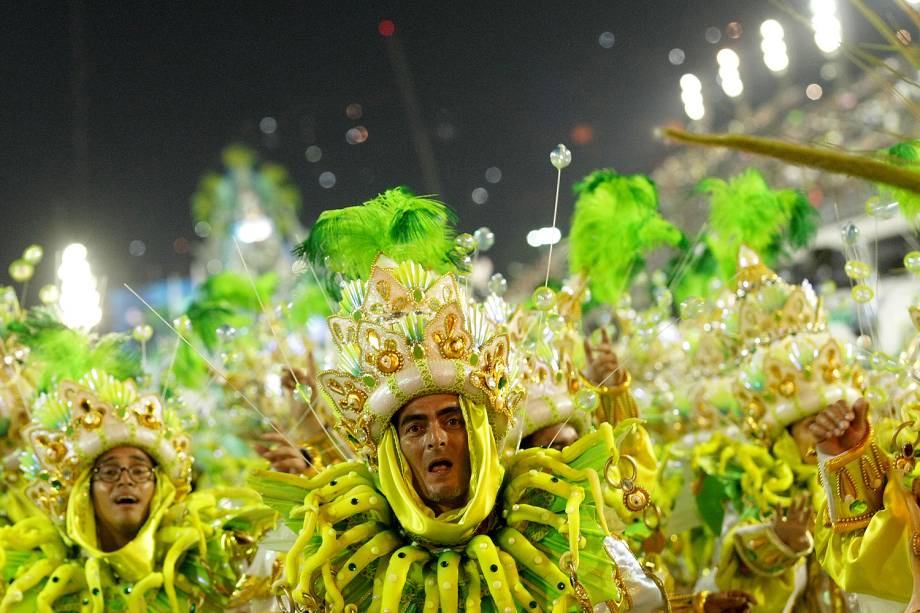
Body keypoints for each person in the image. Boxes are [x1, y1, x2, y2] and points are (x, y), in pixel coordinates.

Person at [252, 189, 674, 611]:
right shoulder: (348, 559)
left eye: (452, 420)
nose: (436, 438)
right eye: (415, 427)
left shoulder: (561, 531)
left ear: (481, 435)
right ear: (394, 452)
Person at [0, 371, 276, 612]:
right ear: (84, 494)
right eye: (108, 471)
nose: (125, 480)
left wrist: (311, 467)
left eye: (140, 470)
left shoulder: (209, 561)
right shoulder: (47, 588)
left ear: (160, 488)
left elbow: (282, 560)